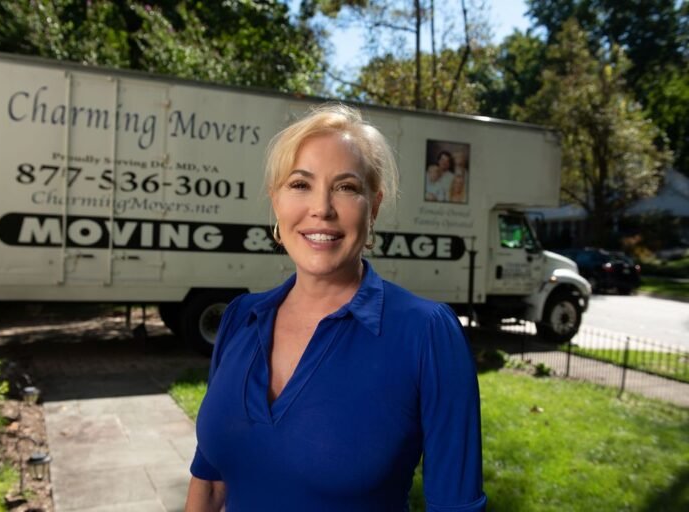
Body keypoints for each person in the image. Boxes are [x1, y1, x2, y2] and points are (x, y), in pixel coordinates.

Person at [185, 104, 486, 512]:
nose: (321, 208)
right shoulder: (240, 318)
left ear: (373, 206)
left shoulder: (426, 333)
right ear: (276, 200)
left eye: (345, 187)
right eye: (300, 184)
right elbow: (210, 484)